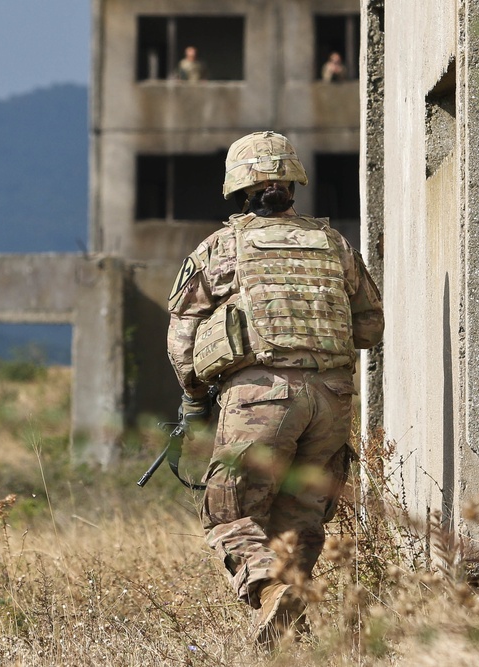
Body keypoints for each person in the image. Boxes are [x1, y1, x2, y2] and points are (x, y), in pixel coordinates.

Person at [166, 131, 383, 645]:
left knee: (230, 508)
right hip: (332, 398)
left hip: (259, 394)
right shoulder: (335, 245)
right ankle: (289, 624)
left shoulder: (222, 247)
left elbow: (181, 338)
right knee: (302, 514)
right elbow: (370, 328)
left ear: (239, 189)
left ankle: (267, 592)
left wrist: (194, 396)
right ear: (292, 183)